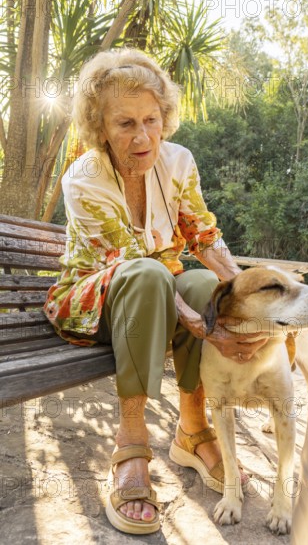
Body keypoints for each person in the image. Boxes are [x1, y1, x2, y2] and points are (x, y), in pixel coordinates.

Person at [43, 48, 267, 535]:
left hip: (158, 295)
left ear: (164, 117)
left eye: (151, 119)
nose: (142, 136)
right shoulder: (83, 179)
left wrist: (251, 303)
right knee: (151, 276)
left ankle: (192, 430)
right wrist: (205, 325)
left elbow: (205, 238)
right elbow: (130, 264)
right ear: (100, 128)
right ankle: (131, 444)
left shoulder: (178, 162)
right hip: (94, 301)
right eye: (124, 123)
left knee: (205, 283)